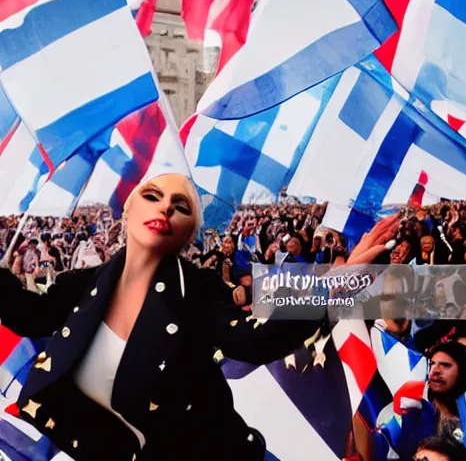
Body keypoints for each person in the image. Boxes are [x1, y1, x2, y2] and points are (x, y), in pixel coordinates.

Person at [0, 173, 325, 461]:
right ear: (126, 213)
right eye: (152, 196)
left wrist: (335, 288)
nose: (166, 207)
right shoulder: (80, 286)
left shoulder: (198, 292)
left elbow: (257, 341)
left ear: (188, 233)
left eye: (181, 206)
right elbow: (29, 315)